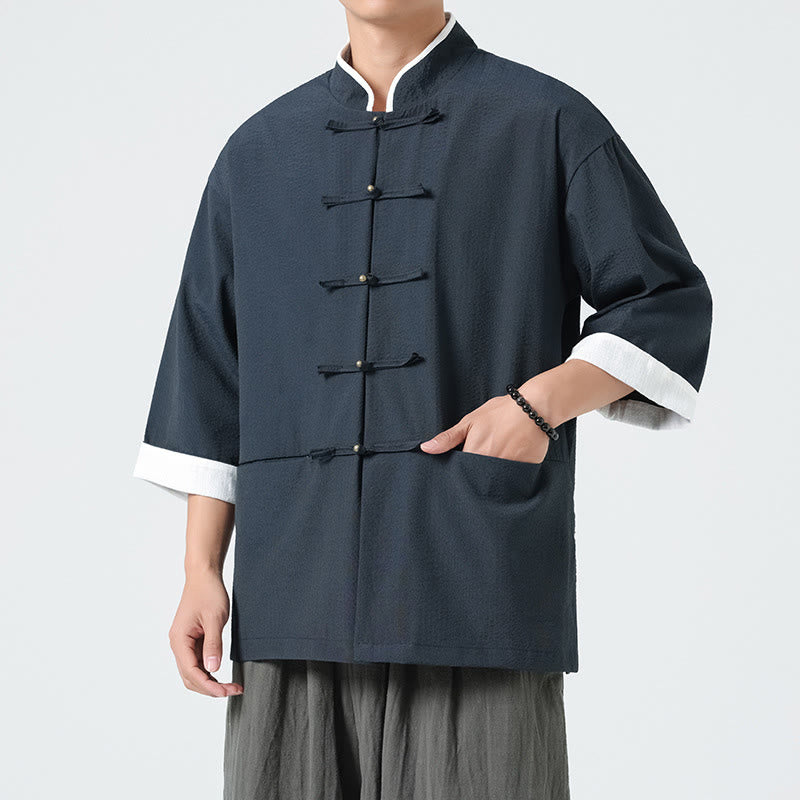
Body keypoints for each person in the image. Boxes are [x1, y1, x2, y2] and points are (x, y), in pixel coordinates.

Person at [132, 3, 713, 798]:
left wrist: (539, 403)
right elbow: (210, 372)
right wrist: (201, 569)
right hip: (294, 587)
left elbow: (664, 298)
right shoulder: (257, 151)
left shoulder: (545, 120)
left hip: (471, 577)